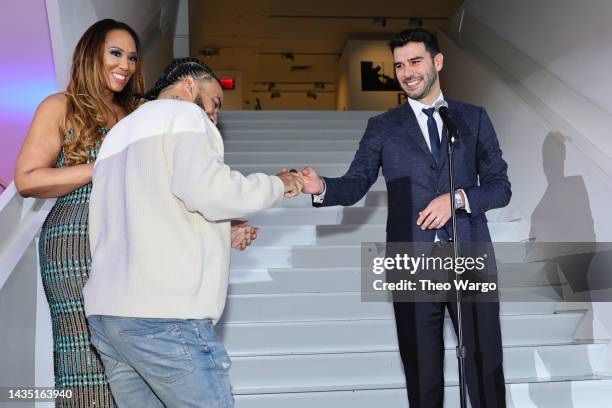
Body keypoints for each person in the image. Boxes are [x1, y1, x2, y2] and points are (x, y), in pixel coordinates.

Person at [299, 28, 511, 407]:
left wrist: (458, 198)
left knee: (484, 366)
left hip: (470, 255)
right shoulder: (382, 127)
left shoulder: (473, 118)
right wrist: (321, 188)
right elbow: (356, 183)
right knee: (422, 372)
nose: (406, 72)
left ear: (437, 61)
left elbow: (500, 187)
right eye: (399, 65)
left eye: (415, 61)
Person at [82, 58, 302, 408]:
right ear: (188, 86)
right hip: (164, 317)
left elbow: (147, 214)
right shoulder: (185, 115)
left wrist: (220, 232)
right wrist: (281, 183)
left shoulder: (118, 135)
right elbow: (209, 192)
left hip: (109, 316)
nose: (214, 116)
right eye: (215, 103)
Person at [14, 19, 145, 407]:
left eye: (133, 57)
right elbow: (27, 178)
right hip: (74, 241)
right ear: (92, 55)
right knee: (82, 349)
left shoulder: (135, 114)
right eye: (116, 53)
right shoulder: (61, 105)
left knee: (131, 348)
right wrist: (99, 166)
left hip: (128, 241)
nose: (126, 64)